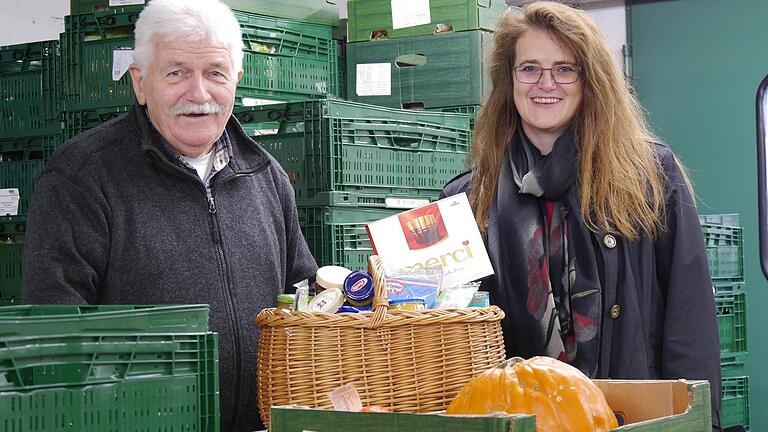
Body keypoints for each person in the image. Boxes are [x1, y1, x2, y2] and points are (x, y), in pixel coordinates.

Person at [22, 1, 317, 430]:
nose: (198, 94)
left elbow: (303, 298)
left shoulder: (266, 176)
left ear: (236, 79)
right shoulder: (82, 176)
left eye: (215, 72)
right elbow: (56, 329)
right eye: (176, 72)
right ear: (140, 83)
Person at [441, 2, 722, 430]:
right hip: (515, 419)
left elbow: (690, 323)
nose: (545, 83)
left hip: (630, 417)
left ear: (590, 80)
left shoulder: (647, 176)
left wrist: (700, 422)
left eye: (564, 69)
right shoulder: (467, 197)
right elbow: (444, 334)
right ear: (508, 79)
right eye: (529, 68)